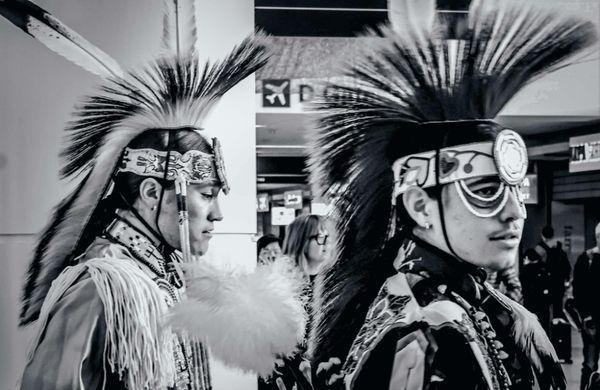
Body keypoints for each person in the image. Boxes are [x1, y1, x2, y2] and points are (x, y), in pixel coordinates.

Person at [0, 1, 289, 388]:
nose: (218, 214)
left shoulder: (162, 277)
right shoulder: (102, 287)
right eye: (205, 194)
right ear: (152, 192)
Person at [308, 1, 596, 389]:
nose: (515, 212)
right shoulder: (425, 328)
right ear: (419, 206)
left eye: (515, 189)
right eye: (485, 190)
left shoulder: (463, 305)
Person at [259, 214, 330, 390]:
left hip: (320, 370)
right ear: (302, 240)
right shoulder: (281, 283)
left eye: (328, 237)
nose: (326, 243)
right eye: (320, 237)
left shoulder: (330, 280)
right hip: (288, 373)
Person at [573, 222, 600, 390]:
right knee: (590, 363)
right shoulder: (587, 259)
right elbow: (579, 290)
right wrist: (586, 315)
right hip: (592, 321)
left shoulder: (587, 259)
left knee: (589, 362)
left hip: (591, 319)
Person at [535, 226, 572, 320]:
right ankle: (558, 330)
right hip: (559, 283)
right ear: (553, 235)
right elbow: (567, 266)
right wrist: (566, 280)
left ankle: (546, 330)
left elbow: (537, 267)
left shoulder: (539, 249)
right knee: (558, 309)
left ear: (542, 236)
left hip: (545, 284)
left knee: (543, 310)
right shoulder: (559, 247)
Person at [521, 248, 552, 333]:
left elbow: (524, 288)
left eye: (524, 259)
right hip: (544, 305)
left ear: (527, 258)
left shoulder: (526, 270)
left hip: (530, 304)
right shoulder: (544, 268)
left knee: (532, 330)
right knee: (544, 328)